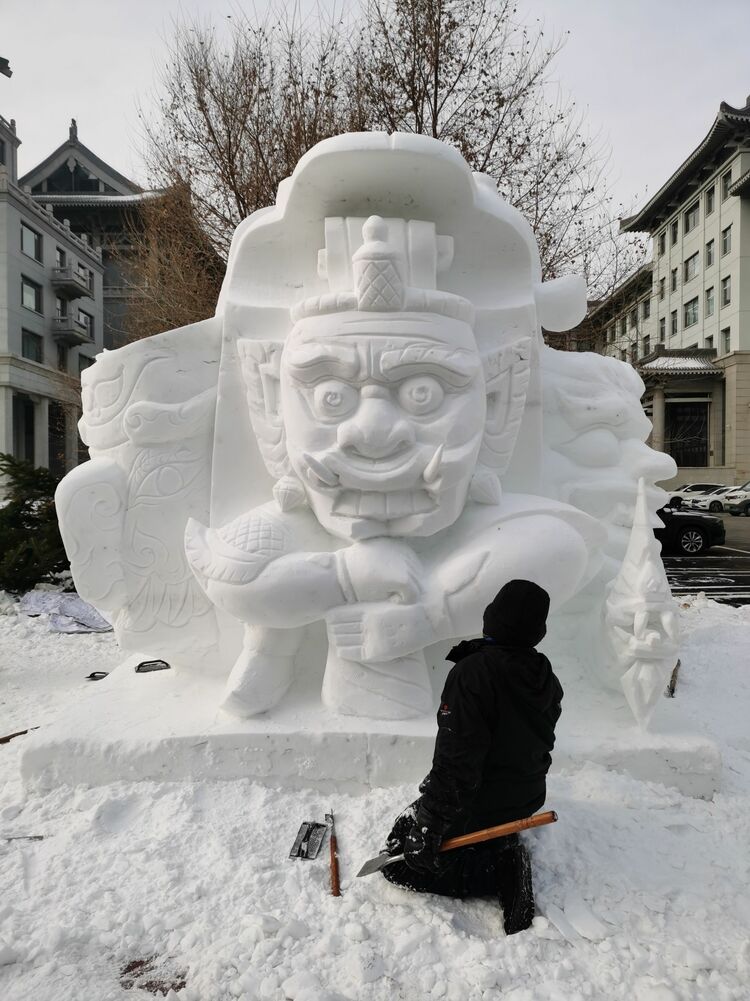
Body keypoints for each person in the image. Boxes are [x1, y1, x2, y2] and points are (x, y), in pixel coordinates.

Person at [381, 579, 563, 935]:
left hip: (481, 801)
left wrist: (430, 825)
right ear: (536, 632)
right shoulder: (542, 672)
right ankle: (499, 841)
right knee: (411, 826)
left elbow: (456, 763)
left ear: (491, 618)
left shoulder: (474, 674)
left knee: (398, 860)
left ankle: (499, 868)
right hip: (526, 796)